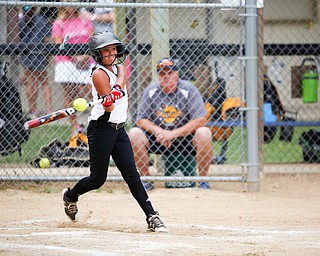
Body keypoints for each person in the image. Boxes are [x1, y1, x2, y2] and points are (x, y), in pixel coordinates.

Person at [61, 31, 168, 233]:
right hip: (101, 130)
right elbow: (108, 108)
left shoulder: (118, 68)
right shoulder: (98, 74)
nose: (111, 54)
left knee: (132, 175)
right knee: (97, 179)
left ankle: (152, 216)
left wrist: (115, 89)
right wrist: (109, 97)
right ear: (97, 54)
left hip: (119, 130)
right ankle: (70, 196)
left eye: (113, 50)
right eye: (106, 51)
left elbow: (121, 79)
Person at [129, 57, 213, 191]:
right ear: (158, 75)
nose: (166, 77)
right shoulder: (151, 91)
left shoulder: (188, 89)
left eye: (170, 73)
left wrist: (172, 134)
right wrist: (159, 132)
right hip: (159, 139)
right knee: (134, 133)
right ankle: (146, 180)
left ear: (177, 74)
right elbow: (141, 119)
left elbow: (201, 119)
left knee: (204, 133)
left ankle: (203, 181)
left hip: (185, 138)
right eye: (162, 73)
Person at [52, 0, 95, 131]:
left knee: (92, 91)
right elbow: (60, 44)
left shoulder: (85, 20)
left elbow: (93, 40)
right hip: (67, 61)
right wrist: (76, 58)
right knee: (72, 94)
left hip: (87, 59)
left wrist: (85, 57)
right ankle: (75, 128)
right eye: (67, 2)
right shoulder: (58, 23)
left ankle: (98, 124)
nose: (70, 5)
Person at [19, 6, 52, 117]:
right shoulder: (42, 19)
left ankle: (35, 109)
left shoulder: (21, 20)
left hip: (29, 53)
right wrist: (48, 55)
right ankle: (47, 110)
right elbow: (47, 39)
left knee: (32, 82)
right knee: (41, 82)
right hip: (37, 52)